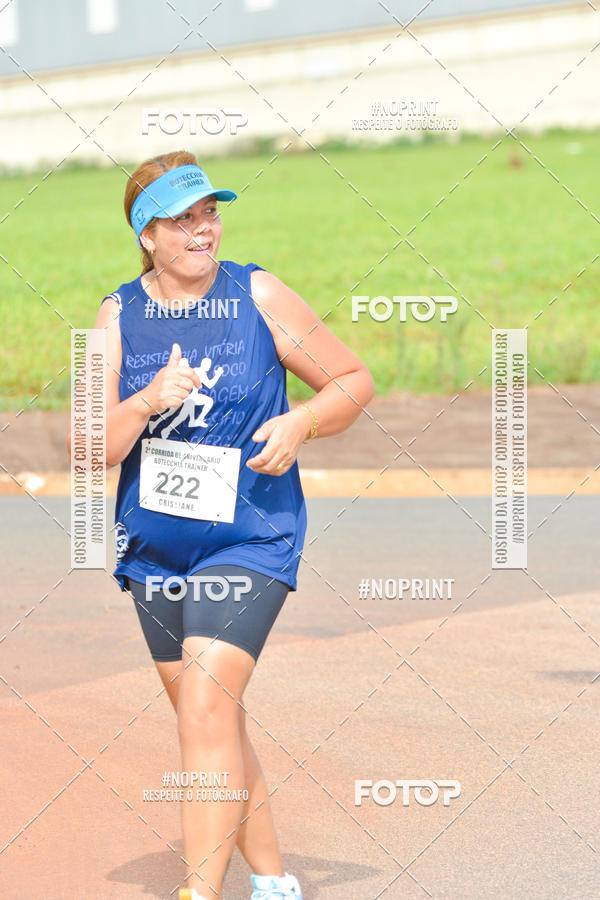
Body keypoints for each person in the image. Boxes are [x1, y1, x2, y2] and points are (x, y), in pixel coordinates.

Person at [89, 150, 374, 900]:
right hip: (154, 548)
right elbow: (89, 445)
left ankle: (199, 892)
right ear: (145, 235)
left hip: (251, 535)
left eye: (209, 213)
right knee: (212, 721)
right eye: (182, 219)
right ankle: (275, 882)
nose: (203, 230)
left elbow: (352, 380)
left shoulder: (260, 295)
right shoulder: (117, 316)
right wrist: (146, 398)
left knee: (210, 703)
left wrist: (304, 420)